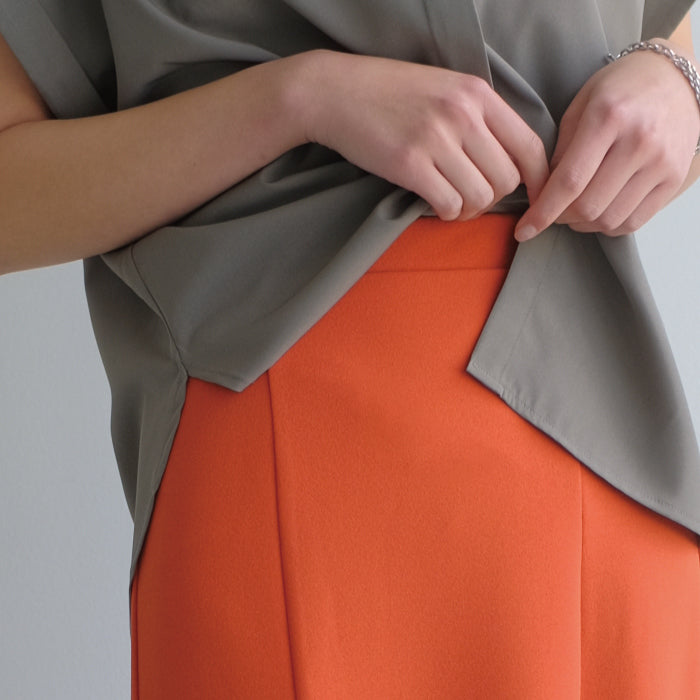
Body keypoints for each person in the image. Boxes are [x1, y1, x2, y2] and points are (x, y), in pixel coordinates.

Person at [1, 0, 699, 697]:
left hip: (606, 437)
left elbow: (662, 48)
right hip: (297, 450)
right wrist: (301, 100)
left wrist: (675, 84)